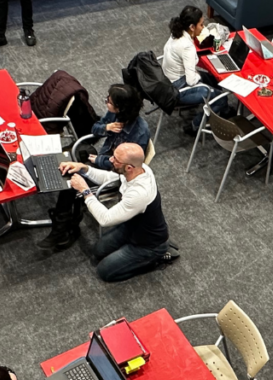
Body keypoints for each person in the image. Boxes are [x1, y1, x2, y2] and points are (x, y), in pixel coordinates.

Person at [41, 143, 177, 281]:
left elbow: (105, 219)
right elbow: (110, 178)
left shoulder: (139, 194)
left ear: (129, 167)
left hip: (149, 245)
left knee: (105, 272)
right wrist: (84, 169)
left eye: (115, 160)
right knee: (98, 251)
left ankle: (157, 258)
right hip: (132, 227)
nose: (110, 159)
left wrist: (85, 191)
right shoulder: (140, 169)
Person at [39, 85, 151, 253]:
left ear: (121, 107)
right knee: (69, 157)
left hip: (115, 174)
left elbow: (127, 168)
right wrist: (106, 128)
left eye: (109, 101)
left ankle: (61, 230)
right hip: (103, 160)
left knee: (71, 181)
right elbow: (94, 129)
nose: (106, 102)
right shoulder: (115, 114)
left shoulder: (140, 133)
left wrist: (99, 160)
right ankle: (68, 217)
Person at [161, 5, 227, 135]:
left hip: (168, 80)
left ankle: (223, 111)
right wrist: (198, 77)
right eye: (201, 25)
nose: (203, 28)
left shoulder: (176, 33)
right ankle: (194, 125)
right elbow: (191, 81)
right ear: (192, 27)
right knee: (221, 98)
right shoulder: (187, 47)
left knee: (214, 79)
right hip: (179, 88)